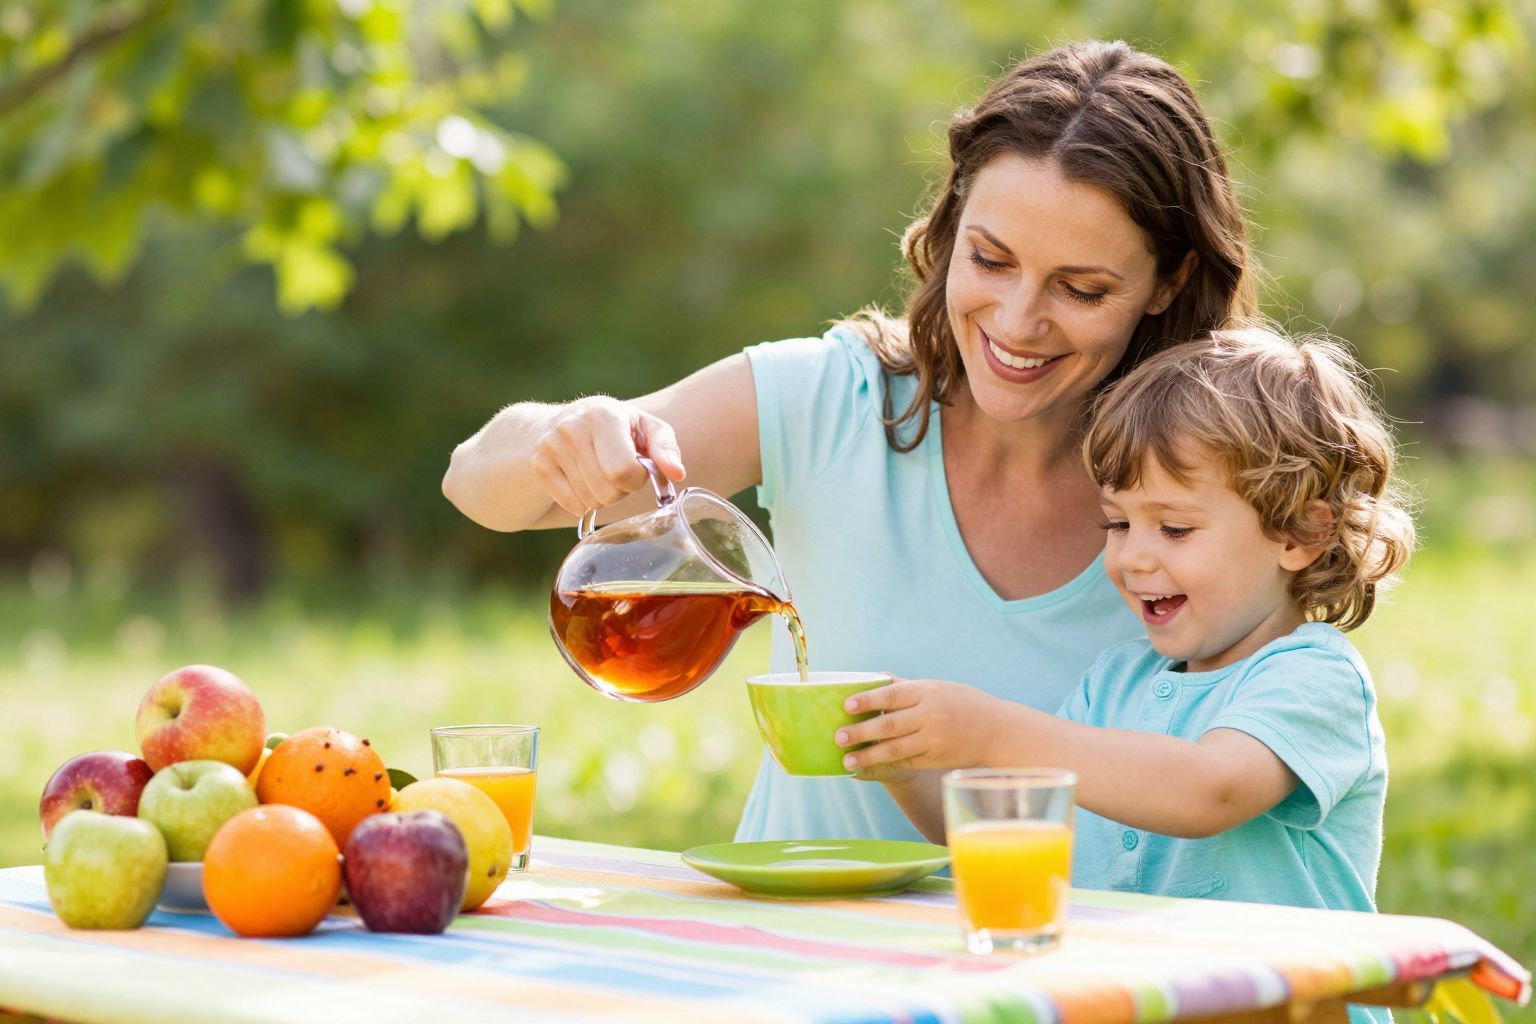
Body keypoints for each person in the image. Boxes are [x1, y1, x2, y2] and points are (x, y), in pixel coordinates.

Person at [441, 41, 1256, 843]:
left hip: (1059, 932)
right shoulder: (835, 401)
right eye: (989, 259)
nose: (1017, 322)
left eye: (1081, 289)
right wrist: (571, 432)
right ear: (951, 230)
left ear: (1171, 281)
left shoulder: (1222, 486)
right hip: (793, 930)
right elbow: (475, 482)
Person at [837, 326, 1416, 939]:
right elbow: (1011, 833)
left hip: (1287, 991)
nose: (1132, 558)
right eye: (1117, 524)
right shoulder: (1114, 683)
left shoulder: (1314, 676)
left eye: (1174, 529)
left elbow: (1209, 791)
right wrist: (902, 763)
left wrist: (993, 732)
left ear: (1301, 534)